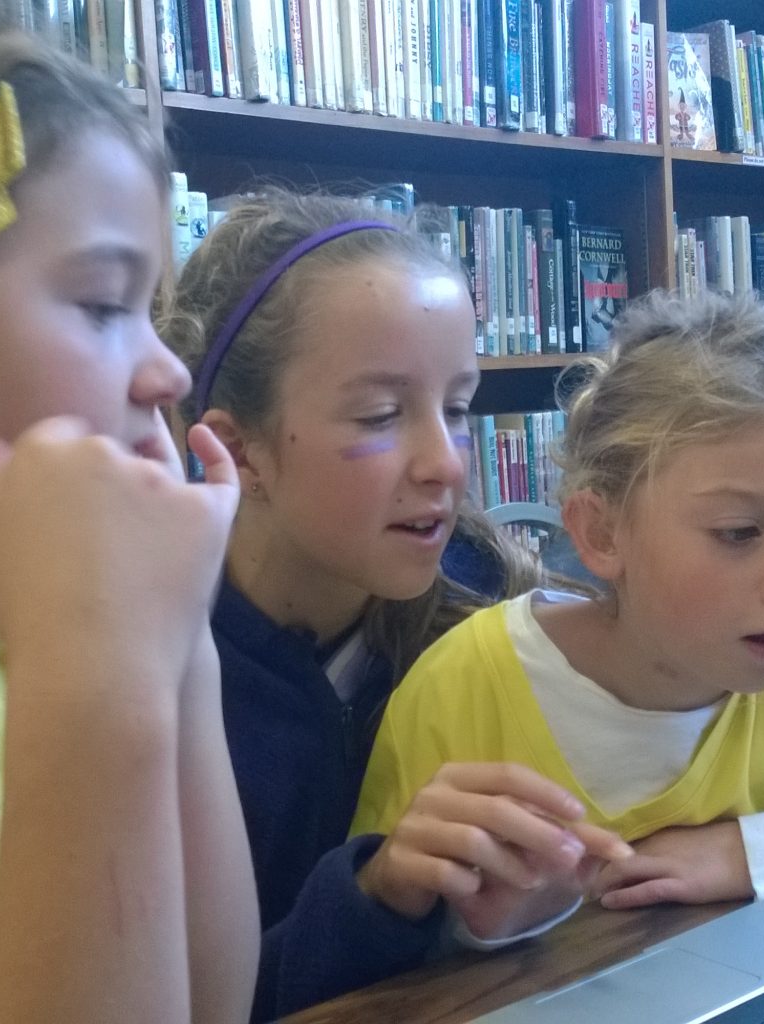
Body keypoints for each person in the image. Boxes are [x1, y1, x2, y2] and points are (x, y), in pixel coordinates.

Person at [158, 189, 634, 1021]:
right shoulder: (158, 676)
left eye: (456, 409)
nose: (448, 465)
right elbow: (186, 1003)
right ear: (238, 450)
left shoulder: (485, 596)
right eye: (382, 414)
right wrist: (374, 897)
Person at [352, 287, 764, 918]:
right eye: (738, 533)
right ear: (602, 533)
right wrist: (469, 922)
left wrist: (757, 851)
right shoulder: (462, 688)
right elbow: (382, 928)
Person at [0, 7, 257, 1021]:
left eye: (156, 309)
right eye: (105, 305)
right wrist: (102, 686)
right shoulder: (58, 653)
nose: (170, 368)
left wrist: (180, 644)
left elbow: (209, 1003)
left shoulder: (0, 627)